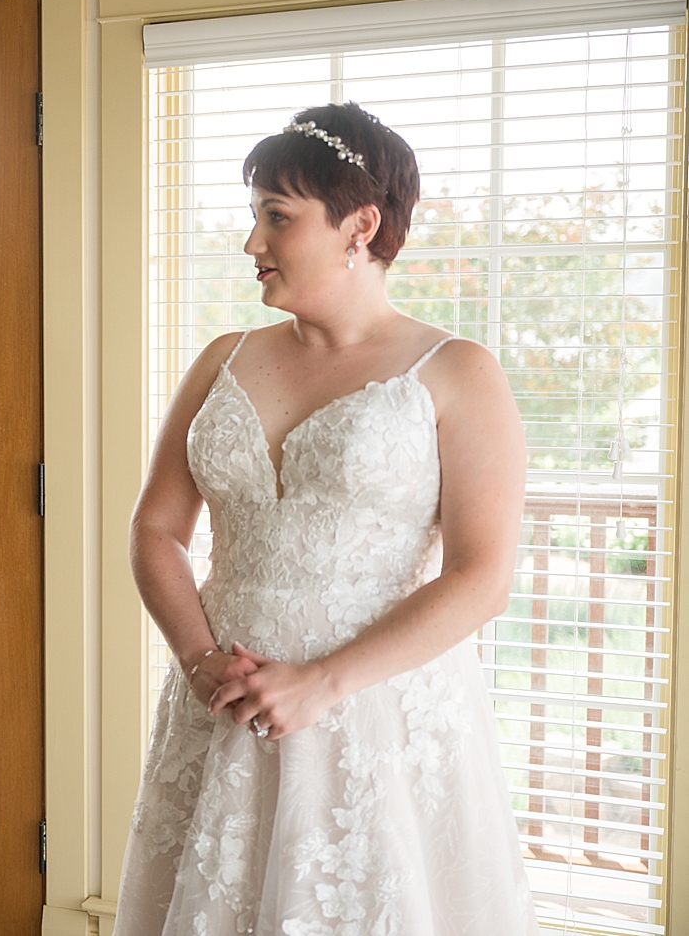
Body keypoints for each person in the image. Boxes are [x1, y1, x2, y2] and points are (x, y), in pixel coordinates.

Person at [114, 103, 539, 935]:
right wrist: (202, 664)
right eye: (253, 216)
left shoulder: (455, 372)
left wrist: (321, 683)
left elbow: (482, 577)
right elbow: (156, 530)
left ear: (361, 226)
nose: (252, 244)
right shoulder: (222, 360)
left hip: (371, 713)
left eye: (277, 217)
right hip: (222, 709)